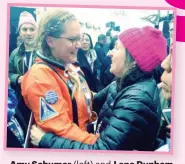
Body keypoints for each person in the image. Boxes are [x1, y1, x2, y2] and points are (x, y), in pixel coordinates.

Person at [30, 26, 167, 151]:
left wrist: (46, 140)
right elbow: (92, 101)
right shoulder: (121, 83)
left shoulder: (136, 100)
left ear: (135, 60)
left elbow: (102, 151)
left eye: (116, 48)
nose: (109, 53)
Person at [21, 9, 99, 146]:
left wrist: (116, 91)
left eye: (79, 38)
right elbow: (61, 129)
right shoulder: (39, 77)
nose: (79, 44)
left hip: (83, 141)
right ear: (50, 41)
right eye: (72, 39)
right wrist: (101, 145)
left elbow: (86, 98)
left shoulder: (69, 66)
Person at [9, 11, 38, 126]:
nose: (28, 33)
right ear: (19, 32)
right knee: (26, 125)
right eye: (24, 29)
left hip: (41, 97)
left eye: (32, 29)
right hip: (22, 97)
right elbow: (8, 73)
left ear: (36, 31)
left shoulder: (44, 52)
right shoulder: (15, 53)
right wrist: (17, 78)